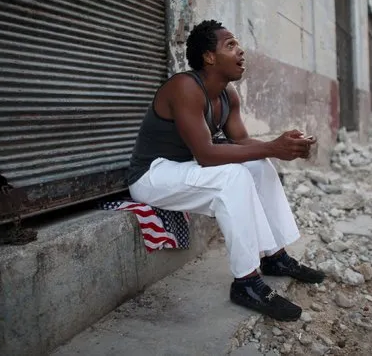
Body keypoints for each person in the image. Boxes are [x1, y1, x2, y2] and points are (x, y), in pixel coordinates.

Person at [127, 20, 325, 322]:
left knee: (257, 165)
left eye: (239, 44)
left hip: (186, 168)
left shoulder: (227, 95)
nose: (241, 50)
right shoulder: (184, 87)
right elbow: (206, 155)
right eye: (231, 45)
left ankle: (276, 257)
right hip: (153, 175)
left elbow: (243, 142)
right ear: (209, 57)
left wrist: (285, 147)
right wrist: (273, 146)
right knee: (233, 177)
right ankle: (246, 283)